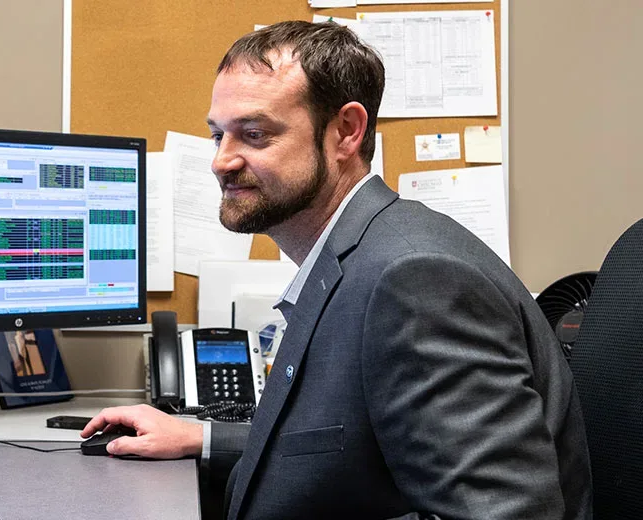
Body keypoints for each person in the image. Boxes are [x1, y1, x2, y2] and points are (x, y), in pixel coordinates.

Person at [82, 20, 591, 519]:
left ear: (346, 131)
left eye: (254, 134)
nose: (221, 160)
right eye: (218, 135)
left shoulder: (413, 280)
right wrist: (204, 436)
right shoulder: (356, 256)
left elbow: (510, 511)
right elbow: (348, 445)